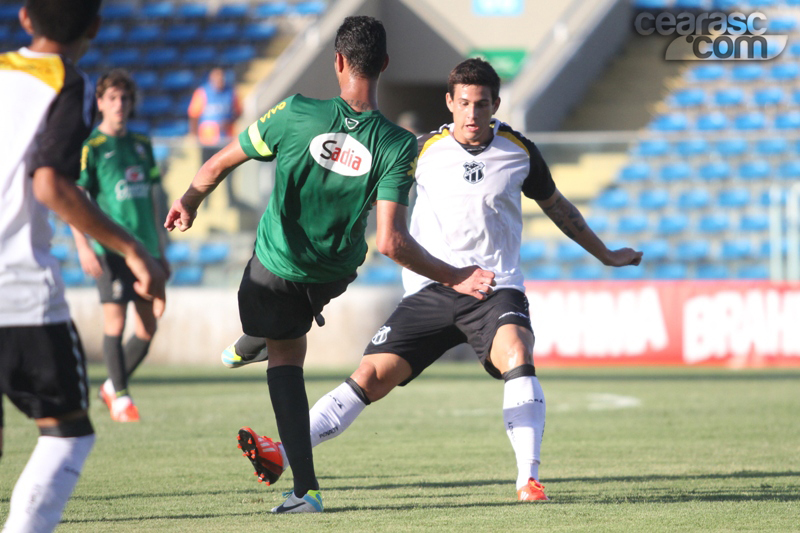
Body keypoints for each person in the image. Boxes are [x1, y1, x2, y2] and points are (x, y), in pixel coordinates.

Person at [232, 59, 643, 502]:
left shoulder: (519, 151)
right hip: (431, 289)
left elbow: (560, 208)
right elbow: (368, 194)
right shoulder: (419, 151)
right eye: (463, 103)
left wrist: (605, 254)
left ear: (496, 105)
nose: (471, 114)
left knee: (517, 352)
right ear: (449, 102)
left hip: (493, 287)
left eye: (481, 104)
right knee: (370, 376)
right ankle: (283, 454)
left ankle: (528, 478)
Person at [165, 17, 495, 514]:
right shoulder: (400, 144)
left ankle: (305, 490)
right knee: (282, 334)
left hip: (274, 269)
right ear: (384, 65)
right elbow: (391, 241)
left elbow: (217, 165)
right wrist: (457, 275)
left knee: (283, 356)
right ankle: (253, 344)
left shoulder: (295, 113)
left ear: (337, 62)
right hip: (333, 275)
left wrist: (188, 200)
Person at [0, 1, 166, 531]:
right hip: (17, 291)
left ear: (25, 18)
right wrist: (135, 249)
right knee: (68, 432)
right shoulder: (65, 84)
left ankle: (118, 386)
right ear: (95, 26)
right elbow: (51, 184)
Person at [70, 69, 169, 423]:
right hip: (109, 250)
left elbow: (153, 198)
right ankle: (123, 398)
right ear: (100, 103)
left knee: (148, 328)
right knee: (115, 320)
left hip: (145, 250)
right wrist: (82, 245)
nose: (120, 105)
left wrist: (160, 247)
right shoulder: (92, 147)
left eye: (125, 98)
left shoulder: (141, 144)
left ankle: (112, 385)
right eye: (112, 98)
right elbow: (76, 198)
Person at [187, 67, 241, 163]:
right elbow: (193, 114)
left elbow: (238, 112)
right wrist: (194, 134)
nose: (219, 81)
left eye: (221, 78)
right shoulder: (202, 92)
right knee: (206, 167)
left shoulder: (230, 92)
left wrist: (229, 121)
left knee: (229, 166)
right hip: (207, 140)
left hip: (226, 138)